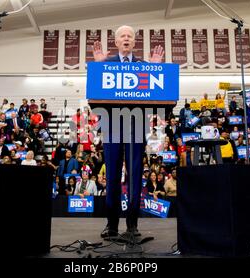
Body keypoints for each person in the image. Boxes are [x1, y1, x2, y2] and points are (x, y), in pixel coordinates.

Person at [93, 24, 164, 238]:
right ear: (116, 42)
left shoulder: (144, 66)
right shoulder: (105, 64)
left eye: (129, 36)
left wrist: (155, 69)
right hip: (112, 124)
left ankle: (132, 225)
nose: (126, 39)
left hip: (136, 125)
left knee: (134, 177)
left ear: (134, 42)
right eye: (122, 36)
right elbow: (95, 92)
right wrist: (98, 66)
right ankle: (112, 225)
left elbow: (156, 97)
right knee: (112, 175)